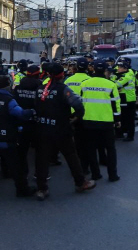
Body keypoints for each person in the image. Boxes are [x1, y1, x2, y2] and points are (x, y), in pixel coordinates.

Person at [34, 63, 96, 201]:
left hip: (42, 129)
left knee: (42, 159)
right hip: (61, 130)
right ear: (61, 75)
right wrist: (75, 118)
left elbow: (36, 107)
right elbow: (78, 105)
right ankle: (80, 183)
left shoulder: (39, 89)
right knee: (71, 156)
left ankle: (41, 189)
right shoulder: (64, 90)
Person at [0, 76, 36, 200]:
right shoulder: (9, 100)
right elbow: (21, 114)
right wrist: (32, 111)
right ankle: (22, 189)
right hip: (6, 139)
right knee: (17, 166)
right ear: (8, 85)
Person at [81, 60, 121, 182]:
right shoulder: (111, 85)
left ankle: (95, 174)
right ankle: (112, 175)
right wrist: (117, 119)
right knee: (110, 149)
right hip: (107, 121)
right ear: (105, 71)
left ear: (93, 69)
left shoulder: (85, 84)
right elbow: (115, 104)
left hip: (88, 121)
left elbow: (81, 101)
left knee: (91, 149)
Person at [13, 65, 42, 177]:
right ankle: (39, 174)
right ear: (37, 74)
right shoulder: (40, 88)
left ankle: (22, 173)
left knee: (22, 150)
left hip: (21, 122)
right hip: (36, 123)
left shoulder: (17, 88)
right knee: (40, 151)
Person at [64, 58, 91, 173]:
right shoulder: (90, 80)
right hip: (83, 114)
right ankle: (84, 167)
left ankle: (75, 166)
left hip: (69, 114)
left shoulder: (68, 80)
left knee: (72, 143)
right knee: (84, 142)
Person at [114, 61, 137, 141]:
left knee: (129, 119)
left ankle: (130, 136)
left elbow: (116, 85)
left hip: (129, 100)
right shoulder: (121, 74)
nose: (118, 69)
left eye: (120, 67)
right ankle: (121, 133)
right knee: (122, 118)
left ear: (125, 69)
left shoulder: (127, 76)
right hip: (123, 99)